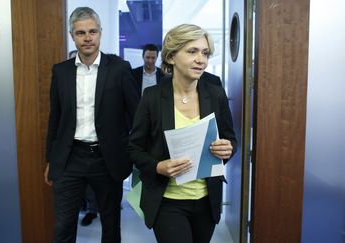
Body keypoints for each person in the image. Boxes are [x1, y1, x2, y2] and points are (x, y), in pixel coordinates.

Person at [127, 24, 237, 243]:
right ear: (171, 57)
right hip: (168, 201)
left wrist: (227, 148)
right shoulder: (152, 97)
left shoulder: (215, 94)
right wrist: (158, 166)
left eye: (205, 53)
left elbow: (230, 140)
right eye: (192, 51)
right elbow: (133, 149)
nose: (201, 60)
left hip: (206, 201)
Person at [44, 7, 139, 243]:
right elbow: (55, 118)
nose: (87, 37)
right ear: (72, 35)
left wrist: (129, 151)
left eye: (92, 31)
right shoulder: (61, 72)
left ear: (100, 33)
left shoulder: (119, 69)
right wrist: (50, 160)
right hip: (69, 158)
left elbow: (136, 115)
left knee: (110, 225)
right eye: (81, 33)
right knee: (63, 227)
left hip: (107, 159)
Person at [68, 49, 99, 227]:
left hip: (95, 143)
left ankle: (92, 211)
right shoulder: (66, 81)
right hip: (72, 145)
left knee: (92, 186)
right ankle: (84, 207)